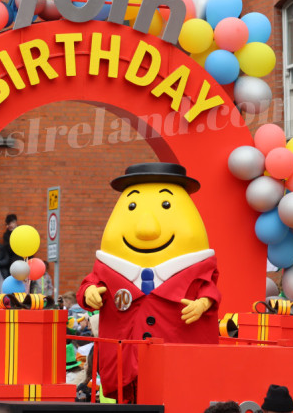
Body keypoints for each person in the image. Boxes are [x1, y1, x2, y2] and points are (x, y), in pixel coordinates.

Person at [78, 163, 221, 402]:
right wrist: (90, 292)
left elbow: (209, 289)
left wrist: (202, 304)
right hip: (128, 365)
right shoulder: (107, 271)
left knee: (177, 397)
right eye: (131, 207)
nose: (147, 229)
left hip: (177, 365)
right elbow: (89, 285)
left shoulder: (198, 272)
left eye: (167, 206)